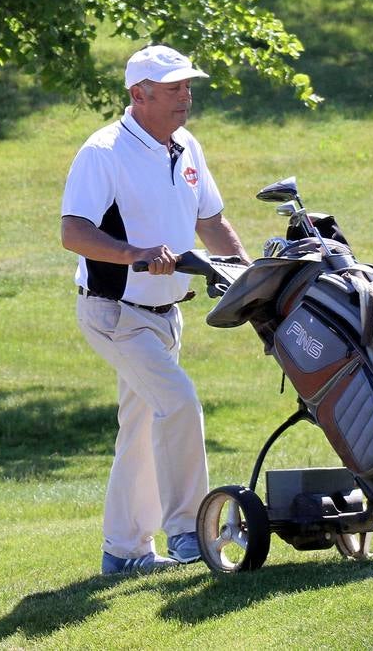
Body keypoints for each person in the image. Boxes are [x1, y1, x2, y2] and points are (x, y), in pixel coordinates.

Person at [61, 44, 250, 576]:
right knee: (180, 403)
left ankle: (122, 552)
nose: (185, 97)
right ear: (138, 94)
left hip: (166, 316)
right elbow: (73, 232)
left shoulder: (186, 146)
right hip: (114, 313)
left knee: (141, 428)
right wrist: (134, 255)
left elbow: (212, 224)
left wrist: (248, 275)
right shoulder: (103, 151)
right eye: (173, 89)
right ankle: (191, 531)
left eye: (187, 87)